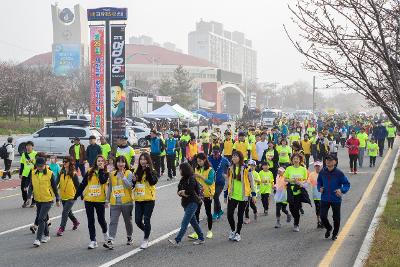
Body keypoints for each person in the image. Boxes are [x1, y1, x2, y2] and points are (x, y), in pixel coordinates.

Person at [74, 155, 109, 249]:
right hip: (89, 200)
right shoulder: (90, 171)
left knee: (101, 219)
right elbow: (82, 184)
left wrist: (101, 170)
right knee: (90, 220)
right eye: (98, 161)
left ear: (104, 163)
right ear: (96, 162)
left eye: (102, 161)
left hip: (100, 200)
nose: (100, 162)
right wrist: (76, 196)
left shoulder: (106, 173)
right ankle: (93, 240)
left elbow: (102, 181)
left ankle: (105, 234)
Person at [168, 163, 205, 246]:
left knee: (184, 222)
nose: (179, 171)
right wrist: (182, 192)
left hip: (193, 203)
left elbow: (190, 191)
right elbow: (179, 191)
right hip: (186, 203)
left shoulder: (191, 178)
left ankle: (177, 240)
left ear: (184, 170)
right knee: (194, 222)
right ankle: (201, 238)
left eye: (180, 169)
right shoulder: (183, 179)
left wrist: (183, 192)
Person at [26, 157, 60, 247]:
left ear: (45, 165)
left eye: (41, 166)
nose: (40, 168)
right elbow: (31, 186)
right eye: (38, 166)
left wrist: (57, 198)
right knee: (43, 218)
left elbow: (54, 187)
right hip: (38, 199)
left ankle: (38, 239)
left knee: (40, 218)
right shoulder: (33, 173)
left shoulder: (50, 174)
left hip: (48, 199)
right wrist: (29, 197)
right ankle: (47, 235)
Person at [224, 151, 256, 242]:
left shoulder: (246, 168)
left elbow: (252, 182)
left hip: (244, 195)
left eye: (236, 156)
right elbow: (227, 182)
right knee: (229, 214)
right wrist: (225, 195)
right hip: (232, 195)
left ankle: (238, 233)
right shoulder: (230, 168)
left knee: (240, 215)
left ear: (240, 158)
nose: (234, 158)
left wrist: (253, 195)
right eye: (233, 156)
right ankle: (233, 230)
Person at [104, 156, 134, 249]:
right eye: (119, 162)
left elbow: (130, 186)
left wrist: (123, 177)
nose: (121, 164)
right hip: (115, 202)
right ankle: (111, 240)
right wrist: (107, 200)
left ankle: (129, 237)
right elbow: (110, 188)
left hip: (127, 202)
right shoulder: (112, 173)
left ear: (125, 163)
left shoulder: (129, 173)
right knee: (113, 221)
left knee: (128, 221)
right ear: (116, 163)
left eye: (123, 162)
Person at [318, 154, 351, 240]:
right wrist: (319, 188)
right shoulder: (322, 172)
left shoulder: (339, 173)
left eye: (331, 160)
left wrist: (342, 190)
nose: (328, 161)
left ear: (335, 162)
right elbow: (319, 182)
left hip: (335, 198)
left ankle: (335, 233)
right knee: (322, 216)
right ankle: (329, 228)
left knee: (336, 218)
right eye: (327, 160)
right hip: (324, 198)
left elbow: (347, 184)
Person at [133, 152, 158, 249]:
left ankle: (145, 239)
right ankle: (147, 230)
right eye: (141, 159)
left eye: (145, 159)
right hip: (138, 199)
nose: (143, 161)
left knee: (147, 219)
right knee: (138, 221)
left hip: (149, 200)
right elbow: (133, 185)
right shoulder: (137, 170)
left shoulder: (152, 170)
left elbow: (153, 182)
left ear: (148, 160)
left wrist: (148, 170)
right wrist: (134, 180)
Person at [188, 153, 215, 240]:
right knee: (196, 213)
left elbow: (210, 182)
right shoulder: (196, 169)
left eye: (200, 161)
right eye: (197, 161)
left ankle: (210, 231)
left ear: (204, 160)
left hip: (207, 194)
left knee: (208, 212)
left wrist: (200, 176)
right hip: (198, 194)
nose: (198, 163)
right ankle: (196, 232)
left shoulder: (210, 170)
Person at [284, 153, 308, 232]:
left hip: (299, 190)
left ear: (300, 160)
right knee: (291, 208)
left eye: (297, 158)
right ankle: (295, 218)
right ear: (292, 160)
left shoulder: (303, 169)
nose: (296, 160)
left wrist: (301, 183)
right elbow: (285, 179)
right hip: (290, 190)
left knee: (297, 208)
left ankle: (296, 224)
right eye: (294, 158)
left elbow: (305, 179)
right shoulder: (289, 168)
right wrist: (293, 180)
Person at [56, 156, 80, 236]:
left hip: (71, 196)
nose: (64, 163)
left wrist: (80, 195)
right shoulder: (61, 172)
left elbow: (78, 185)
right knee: (69, 212)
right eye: (63, 162)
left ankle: (61, 228)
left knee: (65, 212)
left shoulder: (73, 173)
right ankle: (75, 222)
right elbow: (56, 183)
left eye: (66, 162)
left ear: (70, 163)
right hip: (63, 196)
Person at [208, 146, 230, 221]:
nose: (215, 155)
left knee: (215, 196)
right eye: (214, 153)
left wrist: (227, 175)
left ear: (219, 153)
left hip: (220, 182)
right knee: (215, 196)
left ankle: (215, 213)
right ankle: (219, 211)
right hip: (212, 182)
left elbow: (230, 167)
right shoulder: (209, 159)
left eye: (217, 153)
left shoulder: (224, 160)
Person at [20, 141, 37, 208]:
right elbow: (22, 164)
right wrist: (20, 173)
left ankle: (34, 201)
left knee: (33, 188)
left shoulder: (35, 154)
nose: (28, 147)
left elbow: (37, 164)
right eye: (27, 146)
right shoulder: (24, 154)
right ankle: (26, 200)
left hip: (33, 173)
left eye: (30, 145)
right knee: (23, 188)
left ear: (32, 146)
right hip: (25, 173)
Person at [308, 161, 323, 228]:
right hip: (316, 195)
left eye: (319, 166)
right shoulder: (312, 174)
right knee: (318, 209)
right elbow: (308, 182)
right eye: (316, 166)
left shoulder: (324, 174)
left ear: (321, 166)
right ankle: (318, 221)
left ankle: (322, 221)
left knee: (323, 209)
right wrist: (301, 184)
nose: (317, 167)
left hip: (324, 195)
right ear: (314, 167)